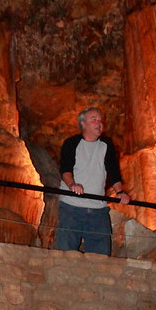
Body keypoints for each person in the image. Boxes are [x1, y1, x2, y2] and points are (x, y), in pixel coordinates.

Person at [56, 107, 129, 255]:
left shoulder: (106, 145)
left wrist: (120, 191)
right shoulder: (71, 143)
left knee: (100, 256)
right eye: (93, 119)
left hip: (97, 208)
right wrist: (72, 185)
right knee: (66, 253)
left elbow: (113, 171)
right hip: (72, 205)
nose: (99, 123)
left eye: (100, 120)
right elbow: (65, 168)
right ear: (83, 124)